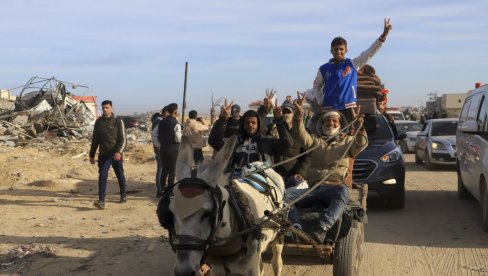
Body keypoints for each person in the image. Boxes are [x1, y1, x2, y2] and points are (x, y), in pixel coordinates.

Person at [287, 93, 368, 243]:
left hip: (334, 188)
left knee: (343, 191)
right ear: (322, 124)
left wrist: (359, 128)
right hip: (312, 189)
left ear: (340, 124)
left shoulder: (348, 141)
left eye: (334, 120)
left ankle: (322, 228)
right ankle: (296, 227)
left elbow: (361, 144)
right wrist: (298, 115)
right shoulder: (315, 140)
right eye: (328, 120)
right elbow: (300, 135)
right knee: (284, 196)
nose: (331, 123)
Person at [308, 18, 392, 122]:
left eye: (341, 49)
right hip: (329, 108)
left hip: (349, 108)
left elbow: (370, 52)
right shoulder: (324, 68)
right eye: (336, 49)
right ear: (331, 51)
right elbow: (316, 86)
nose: (338, 51)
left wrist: (383, 36)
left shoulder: (353, 64)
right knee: (328, 134)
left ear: (346, 50)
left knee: (351, 135)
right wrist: (321, 100)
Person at [209, 91, 292, 170]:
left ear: (258, 125)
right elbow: (214, 141)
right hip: (237, 181)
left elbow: (287, 143)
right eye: (247, 123)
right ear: (242, 124)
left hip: (261, 181)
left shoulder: (267, 141)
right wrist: (222, 119)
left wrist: (279, 120)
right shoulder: (235, 142)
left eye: (253, 122)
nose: (250, 125)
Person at [89, 100, 128, 209]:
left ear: (111, 108)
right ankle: (101, 201)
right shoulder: (99, 122)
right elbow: (95, 139)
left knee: (120, 174)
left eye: (107, 107)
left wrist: (119, 152)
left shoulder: (118, 121)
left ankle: (123, 193)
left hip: (115, 154)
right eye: (103, 108)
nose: (105, 110)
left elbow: (123, 139)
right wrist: (91, 155)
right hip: (103, 154)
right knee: (102, 175)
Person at [158, 103, 181, 190]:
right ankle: (170, 191)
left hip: (163, 149)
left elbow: (157, 135)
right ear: (175, 111)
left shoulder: (161, 122)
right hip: (173, 150)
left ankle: (162, 189)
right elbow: (178, 138)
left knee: (164, 170)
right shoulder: (176, 123)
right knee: (172, 171)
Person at [151, 106, 168, 197]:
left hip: (160, 149)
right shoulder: (159, 121)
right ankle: (160, 190)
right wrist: (159, 147)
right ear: (164, 112)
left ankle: (161, 189)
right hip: (161, 149)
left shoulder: (157, 121)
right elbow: (154, 136)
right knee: (161, 169)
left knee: (162, 169)